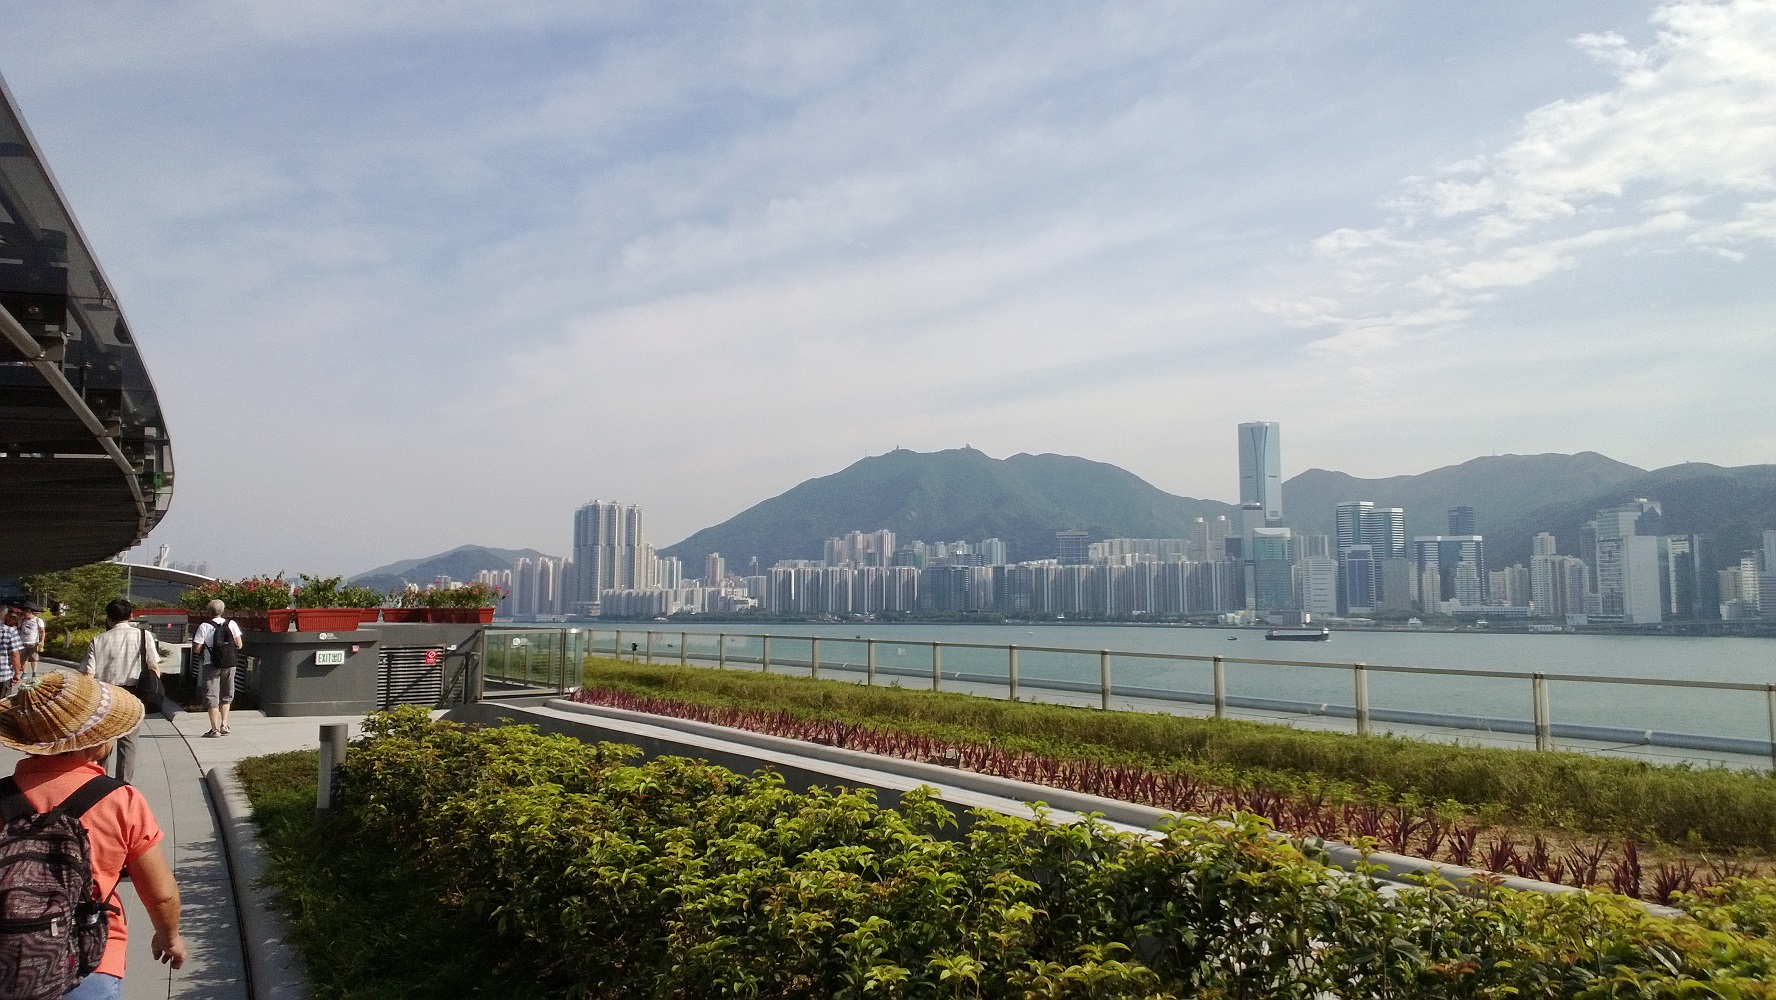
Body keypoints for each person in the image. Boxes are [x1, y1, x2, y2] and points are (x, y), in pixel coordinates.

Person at [0, 672, 186, 996]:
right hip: (89, 962)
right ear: (99, 741)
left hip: (9, 961)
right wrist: (169, 938)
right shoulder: (120, 800)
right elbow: (162, 894)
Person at [79, 600, 157, 784]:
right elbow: (153, 666)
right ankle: (123, 784)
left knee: (102, 741)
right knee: (128, 743)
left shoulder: (98, 641)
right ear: (131, 616)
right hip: (133, 695)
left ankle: (99, 781)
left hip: (105, 695)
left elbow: (88, 674)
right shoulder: (144, 636)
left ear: (108, 618)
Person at [190, 600, 242, 738]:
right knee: (227, 693)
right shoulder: (231, 624)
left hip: (211, 663)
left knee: (212, 696)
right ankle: (224, 725)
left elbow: (196, 649)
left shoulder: (204, 626)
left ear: (209, 611)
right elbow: (239, 644)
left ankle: (214, 730)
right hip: (230, 663)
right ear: (223, 610)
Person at [15, 600, 44, 679]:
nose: (24, 615)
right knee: (23, 659)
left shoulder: (38, 620)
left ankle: (34, 672)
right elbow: (19, 629)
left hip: (33, 642)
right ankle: (24, 673)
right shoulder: (23, 620)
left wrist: (42, 641)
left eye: (25, 613)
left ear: (30, 612)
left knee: (34, 658)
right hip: (23, 642)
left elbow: (42, 631)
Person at [0, 607, 21, 700]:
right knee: (3, 706)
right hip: (3, 675)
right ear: (5, 616)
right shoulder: (10, 631)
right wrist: (17, 673)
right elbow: (15, 654)